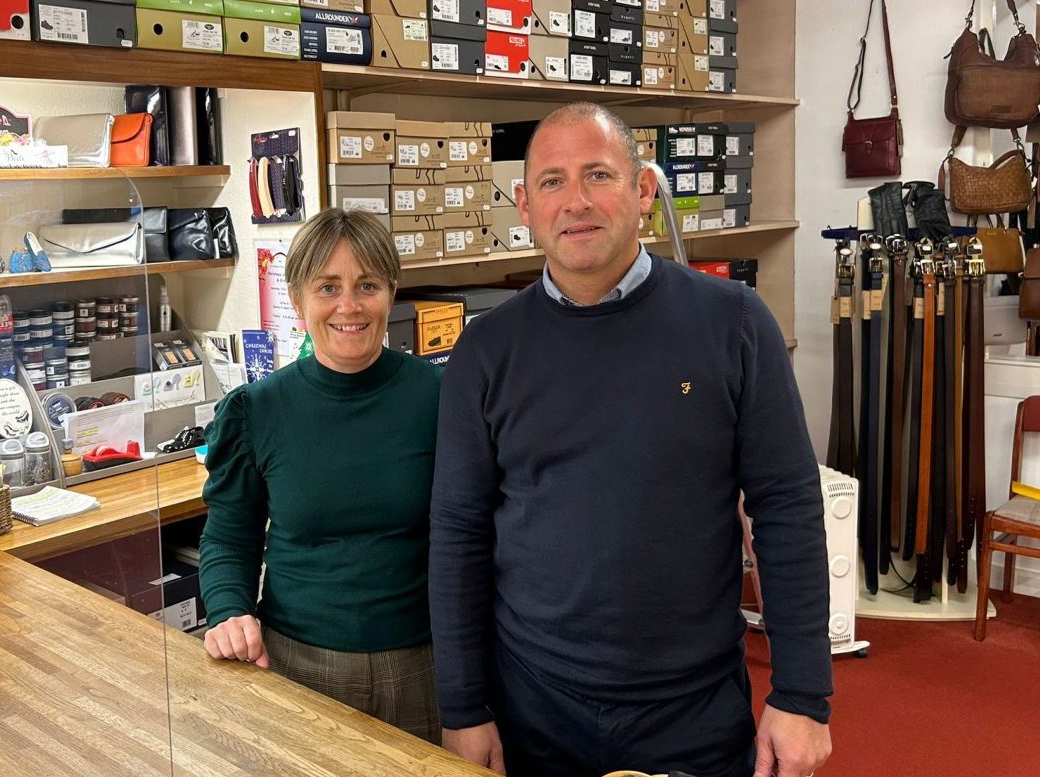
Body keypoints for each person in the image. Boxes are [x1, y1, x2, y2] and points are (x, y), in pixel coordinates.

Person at [428, 103, 834, 777]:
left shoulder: (734, 323)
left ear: (644, 191)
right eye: (552, 182)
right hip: (534, 705)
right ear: (525, 205)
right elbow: (458, 533)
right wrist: (463, 706)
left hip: (692, 710)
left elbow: (787, 506)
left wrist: (802, 693)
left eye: (598, 174)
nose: (576, 200)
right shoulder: (486, 350)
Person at [199, 208, 442, 743]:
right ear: (296, 297)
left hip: (425, 669)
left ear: (392, 291)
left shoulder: (441, 397)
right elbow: (227, 537)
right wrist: (229, 609)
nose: (348, 306)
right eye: (327, 287)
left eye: (367, 285)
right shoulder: (257, 410)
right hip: (295, 667)